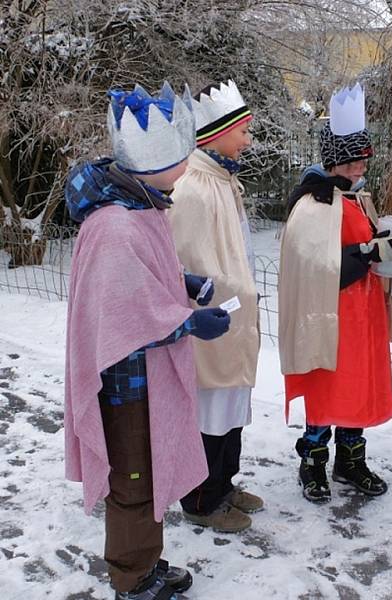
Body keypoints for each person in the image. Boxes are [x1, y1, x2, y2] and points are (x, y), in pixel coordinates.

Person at [64, 82, 231, 599]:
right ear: (151, 163)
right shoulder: (116, 223)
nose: (186, 167)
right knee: (134, 481)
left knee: (149, 471)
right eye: (179, 159)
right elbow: (121, 311)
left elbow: (140, 279)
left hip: (142, 378)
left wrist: (181, 284)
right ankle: (133, 581)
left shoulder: (142, 207)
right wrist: (187, 322)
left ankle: (145, 564)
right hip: (123, 384)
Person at [278, 83, 392, 503]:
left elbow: (364, 250)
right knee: (326, 386)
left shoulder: (355, 198)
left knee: (355, 385)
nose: (359, 169)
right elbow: (317, 268)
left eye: (363, 161)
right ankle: (312, 459)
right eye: (352, 162)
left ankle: (350, 460)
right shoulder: (313, 205)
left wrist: (388, 246)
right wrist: (369, 251)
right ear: (334, 161)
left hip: (362, 315)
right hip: (329, 316)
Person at [169, 79, 263, 533]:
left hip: (235, 315)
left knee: (232, 406)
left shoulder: (224, 181)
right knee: (211, 409)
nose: (248, 139)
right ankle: (201, 499)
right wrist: (225, 296)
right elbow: (188, 261)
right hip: (213, 319)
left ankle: (224, 484)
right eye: (243, 130)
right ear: (217, 132)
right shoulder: (193, 187)